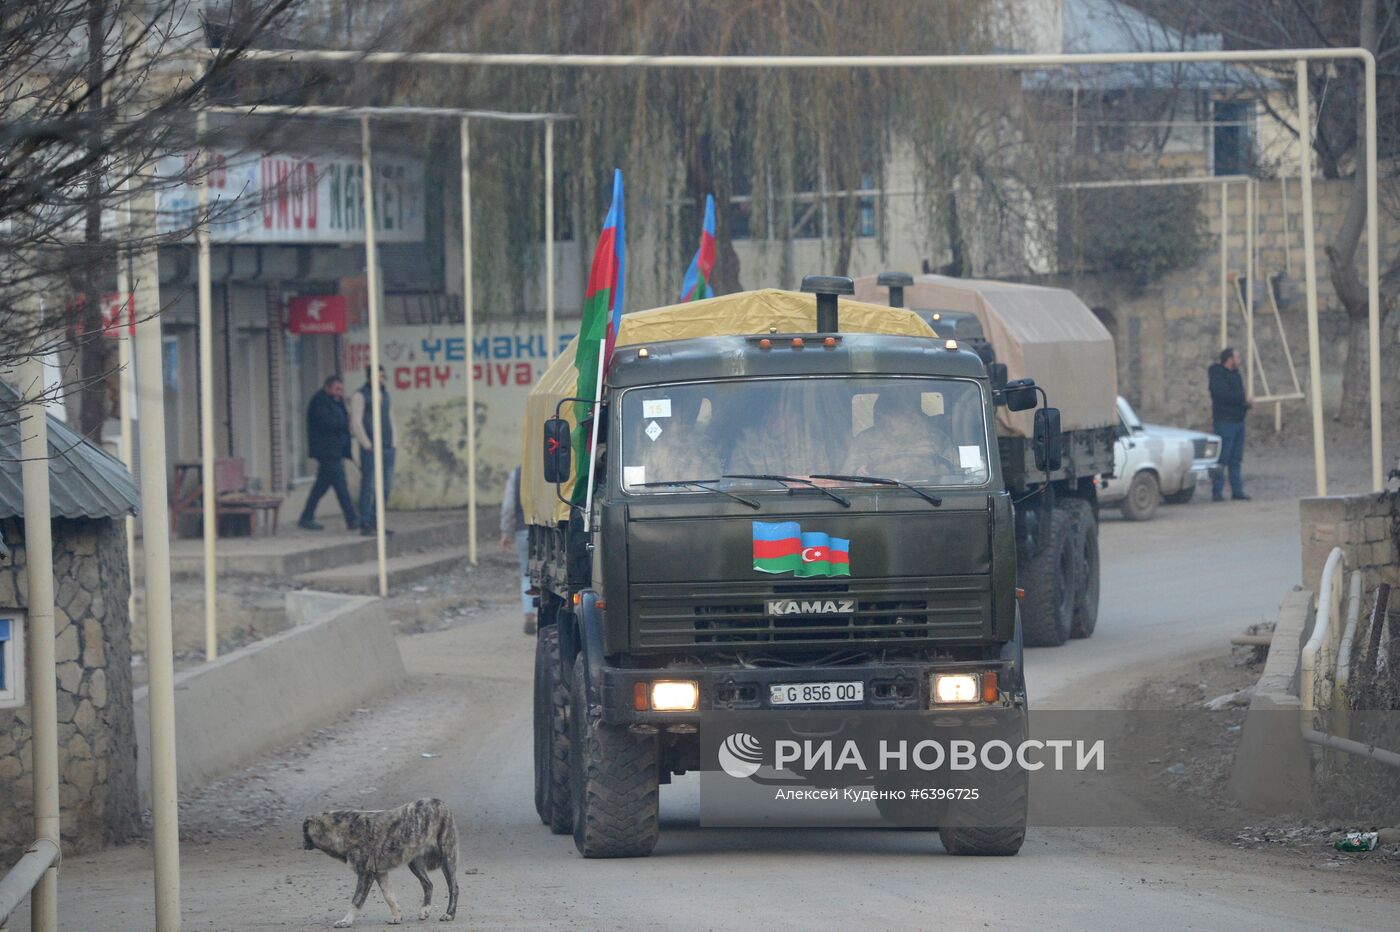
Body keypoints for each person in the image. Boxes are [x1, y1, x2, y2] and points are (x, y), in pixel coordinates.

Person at [845, 386, 956, 479]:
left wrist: (937, 468)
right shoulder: (866, 439)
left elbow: (956, 468)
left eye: (904, 410)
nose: (889, 418)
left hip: (933, 494)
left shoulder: (934, 436)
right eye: (889, 412)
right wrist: (858, 471)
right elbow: (848, 470)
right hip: (879, 495)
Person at [297, 375, 359, 531]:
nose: (339, 393)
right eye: (337, 389)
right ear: (328, 387)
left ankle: (306, 516)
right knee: (341, 485)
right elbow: (327, 423)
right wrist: (346, 422)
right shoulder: (319, 401)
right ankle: (352, 518)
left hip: (336, 450)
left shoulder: (336, 402)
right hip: (327, 451)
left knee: (321, 486)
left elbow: (343, 419)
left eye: (341, 390)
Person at [350, 365, 398, 536]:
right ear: (370, 377)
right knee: (368, 485)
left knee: (385, 487)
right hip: (371, 448)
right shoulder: (360, 395)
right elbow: (356, 421)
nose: (381, 379)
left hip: (387, 446)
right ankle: (366, 522)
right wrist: (366, 444)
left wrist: (393, 441)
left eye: (383, 376)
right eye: (378, 376)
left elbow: (390, 417)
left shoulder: (385, 394)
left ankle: (378, 520)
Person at [1208, 346, 1251, 502]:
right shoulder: (1217, 375)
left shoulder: (1236, 376)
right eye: (1237, 357)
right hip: (1225, 422)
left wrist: (1245, 405)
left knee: (1235, 459)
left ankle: (1237, 490)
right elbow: (1224, 396)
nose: (1240, 361)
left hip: (1238, 421)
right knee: (1222, 457)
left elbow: (1238, 397)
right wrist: (1241, 401)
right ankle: (1217, 491)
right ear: (1229, 359)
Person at [500, 465, 535, 635]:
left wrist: (507, 532)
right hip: (549, 530)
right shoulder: (550, 468)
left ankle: (529, 614)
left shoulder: (517, 473)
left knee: (527, 574)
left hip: (523, 531)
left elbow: (508, 506)